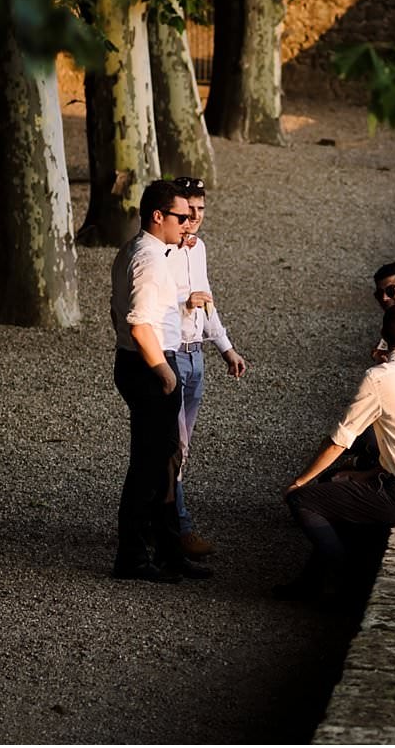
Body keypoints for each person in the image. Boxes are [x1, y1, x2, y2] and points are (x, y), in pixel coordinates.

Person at [277, 302, 395, 601]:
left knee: (304, 500)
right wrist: (365, 474)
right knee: (340, 487)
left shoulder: (378, 377)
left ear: (384, 334)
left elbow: (340, 441)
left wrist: (299, 482)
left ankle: (340, 571)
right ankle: (316, 581)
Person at [109, 180, 212, 583]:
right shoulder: (149, 260)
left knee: (165, 464)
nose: (189, 224)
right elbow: (138, 325)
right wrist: (166, 374)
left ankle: (169, 551)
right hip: (151, 366)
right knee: (149, 468)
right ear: (158, 216)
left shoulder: (144, 252)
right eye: (181, 217)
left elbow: (115, 311)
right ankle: (132, 557)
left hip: (142, 363)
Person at [168, 176, 247, 559]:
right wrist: (185, 303)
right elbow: (148, 308)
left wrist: (225, 347)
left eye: (200, 210)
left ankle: (163, 523)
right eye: (189, 211)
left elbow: (208, 300)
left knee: (181, 447)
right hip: (170, 355)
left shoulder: (199, 249)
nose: (195, 218)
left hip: (197, 354)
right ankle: (178, 529)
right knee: (173, 446)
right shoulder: (159, 251)